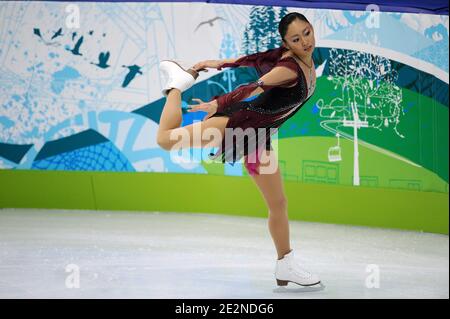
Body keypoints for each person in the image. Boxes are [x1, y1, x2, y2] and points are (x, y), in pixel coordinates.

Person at [157, 12, 320, 287]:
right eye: (296, 38)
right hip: (236, 126)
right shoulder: (288, 69)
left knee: (278, 203)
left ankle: (285, 264)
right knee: (165, 140)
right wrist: (218, 104)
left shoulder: (294, 57)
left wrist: (217, 63)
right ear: (286, 42)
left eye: (307, 32)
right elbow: (252, 87)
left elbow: (250, 60)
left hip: (258, 138)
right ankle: (176, 84)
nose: (305, 41)